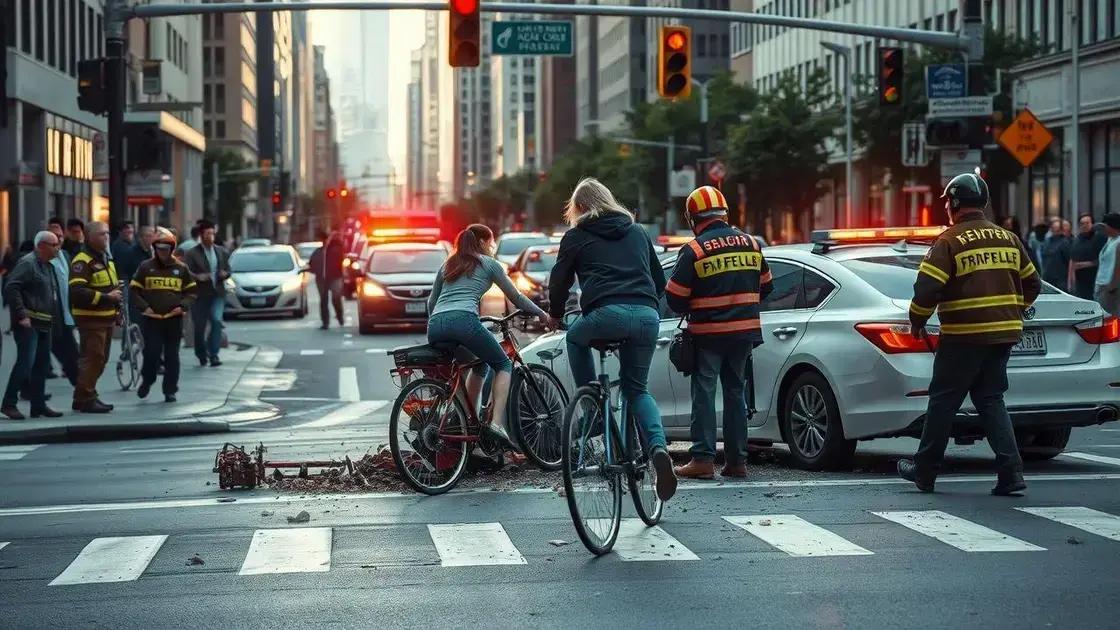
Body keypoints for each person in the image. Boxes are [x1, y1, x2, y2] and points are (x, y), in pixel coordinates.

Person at [898, 172, 1041, 496]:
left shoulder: (949, 241)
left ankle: (925, 471)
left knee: (943, 401)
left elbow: (928, 288)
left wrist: (917, 321)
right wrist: (1013, 310)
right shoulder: (1009, 238)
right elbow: (1033, 283)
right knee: (991, 399)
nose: (947, 206)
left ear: (956, 203)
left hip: (964, 335)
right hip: (1004, 334)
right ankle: (1011, 472)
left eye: (948, 201)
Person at [548, 177, 677, 502]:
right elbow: (660, 281)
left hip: (606, 315)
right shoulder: (636, 231)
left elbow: (559, 281)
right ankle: (658, 449)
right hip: (647, 316)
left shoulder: (576, 236)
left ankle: (590, 401)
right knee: (637, 389)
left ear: (579, 209)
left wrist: (554, 313)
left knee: (575, 338)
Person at [666, 186, 774, 479]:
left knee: (704, 393)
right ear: (725, 213)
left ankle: (702, 460)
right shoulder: (751, 244)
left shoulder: (695, 250)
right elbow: (767, 286)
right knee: (736, 393)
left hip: (708, 335)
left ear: (693, 218)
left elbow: (675, 298)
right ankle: (737, 462)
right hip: (744, 333)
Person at [427, 224, 549, 446]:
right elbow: (516, 297)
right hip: (463, 320)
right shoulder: (490, 264)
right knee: (502, 364)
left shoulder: (448, 265)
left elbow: (431, 303)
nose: (492, 247)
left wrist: (438, 323)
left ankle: (466, 425)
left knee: (478, 364)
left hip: (435, 325)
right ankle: (496, 423)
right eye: (491, 243)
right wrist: (542, 314)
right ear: (482, 243)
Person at [1, 231, 64, 420]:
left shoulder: (48, 265)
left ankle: (38, 405)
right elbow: (11, 287)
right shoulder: (28, 263)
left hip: (44, 321)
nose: (57, 248)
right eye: (53, 245)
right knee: (25, 363)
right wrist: (21, 315)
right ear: (41, 246)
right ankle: (8, 403)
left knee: (41, 365)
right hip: (29, 322)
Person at [130, 228, 197, 402]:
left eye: (165, 250)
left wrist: (182, 307)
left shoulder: (181, 268)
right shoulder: (146, 267)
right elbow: (134, 291)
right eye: (159, 249)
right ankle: (147, 380)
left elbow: (191, 293)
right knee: (151, 353)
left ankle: (170, 390)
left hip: (173, 320)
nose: (162, 253)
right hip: (152, 320)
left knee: (172, 357)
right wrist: (144, 307)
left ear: (171, 250)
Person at [69, 221, 121, 414]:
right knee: (93, 358)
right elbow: (77, 292)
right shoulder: (83, 261)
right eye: (101, 234)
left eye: (107, 233)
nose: (106, 237)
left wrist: (116, 310)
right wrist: (108, 298)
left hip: (106, 318)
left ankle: (82, 396)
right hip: (91, 319)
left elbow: (112, 287)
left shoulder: (106, 258)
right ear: (89, 237)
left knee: (101, 359)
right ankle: (87, 398)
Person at [183, 220, 231, 367]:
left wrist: (225, 274)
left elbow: (229, 270)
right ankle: (201, 354)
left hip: (217, 293)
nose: (211, 237)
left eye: (212, 233)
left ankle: (214, 354)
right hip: (199, 294)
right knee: (200, 326)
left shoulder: (221, 251)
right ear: (201, 235)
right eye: (207, 234)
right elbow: (186, 273)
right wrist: (198, 277)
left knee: (216, 321)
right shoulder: (192, 253)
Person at [45, 218, 79, 385]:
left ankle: (83, 394)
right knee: (35, 357)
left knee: (72, 356)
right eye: (53, 236)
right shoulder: (39, 260)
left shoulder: (66, 256)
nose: (57, 240)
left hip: (66, 315)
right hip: (49, 316)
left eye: (60, 236)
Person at [309, 231, 346, 329]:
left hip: (335, 277)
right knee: (323, 300)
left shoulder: (336, 250)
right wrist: (313, 270)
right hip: (321, 279)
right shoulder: (318, 252)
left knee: (336, 298)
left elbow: (342, 257)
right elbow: (312, 264)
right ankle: (325, 322)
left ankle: (340, 315)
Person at [1068, 213, 1107, 300]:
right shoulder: (1077, 239)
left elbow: (1104, 259)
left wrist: (1087, 264)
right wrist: (1070, 281)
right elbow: (1072, 260)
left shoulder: (1099, 238)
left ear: (1092, 224)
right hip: (1080, 280)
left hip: (1095, 278)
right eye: (1082, 223)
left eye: (1087, 223)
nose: (1084, 225)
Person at [1094, 213, 1120, 317]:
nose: (1104, 229)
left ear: (1112, 226)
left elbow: (1118, 267)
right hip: (1101, 284)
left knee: (1110, 316)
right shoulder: (1110, 240)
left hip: (1111, 286)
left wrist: (1112, 286)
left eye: (1105, 226)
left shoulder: (1118, 243)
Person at [1040, 218, 1071, 290]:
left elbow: (1068, 261)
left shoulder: (1065, 242)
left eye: (1057, 228)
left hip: (1060, 280)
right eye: (1053, 227)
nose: (1055, 229)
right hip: (1047, 277)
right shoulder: (1047, 242)